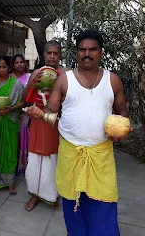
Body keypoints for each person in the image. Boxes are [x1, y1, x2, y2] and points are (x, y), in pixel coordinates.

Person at [28, 30, 130, 236]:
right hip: (70, 154)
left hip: (100, 157)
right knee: (73, 207)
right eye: (82, 50)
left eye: (92, 49)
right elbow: (51, 112)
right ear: (76, 54)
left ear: (100, 52)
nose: (87, 54)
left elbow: (122, 113)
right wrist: (40, 111)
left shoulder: (113, 81)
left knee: (103, 205)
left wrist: (122, 132)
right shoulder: (64, 80)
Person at [23, 40, 67, 211]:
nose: (52, 56)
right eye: (49, 53)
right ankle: (35, 194)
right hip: (37, 121)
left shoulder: (66, 74)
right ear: (44, 55)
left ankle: (52, 195)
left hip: (56, 123)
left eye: (56, 53)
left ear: (60, 55)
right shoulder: (36, 72)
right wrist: (34, 83)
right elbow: (25, 97)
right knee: (34, 159)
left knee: (53, 160)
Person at [0, 55, 25, 194]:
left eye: (4, 66)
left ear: (9, 67)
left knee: (10, 151)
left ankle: (9, 182)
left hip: (11, 120)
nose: (1, 69)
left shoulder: (16, 84)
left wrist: (13, 108)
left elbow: (24, 102)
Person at [11, 54, 31, 175]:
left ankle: (23, 165)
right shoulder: (9, 78)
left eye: (21, 62)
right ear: (13, 65)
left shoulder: (29, 77)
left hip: (26, 114)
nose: (19, 64)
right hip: (11, 113)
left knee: (25, 139)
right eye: (16, 62)